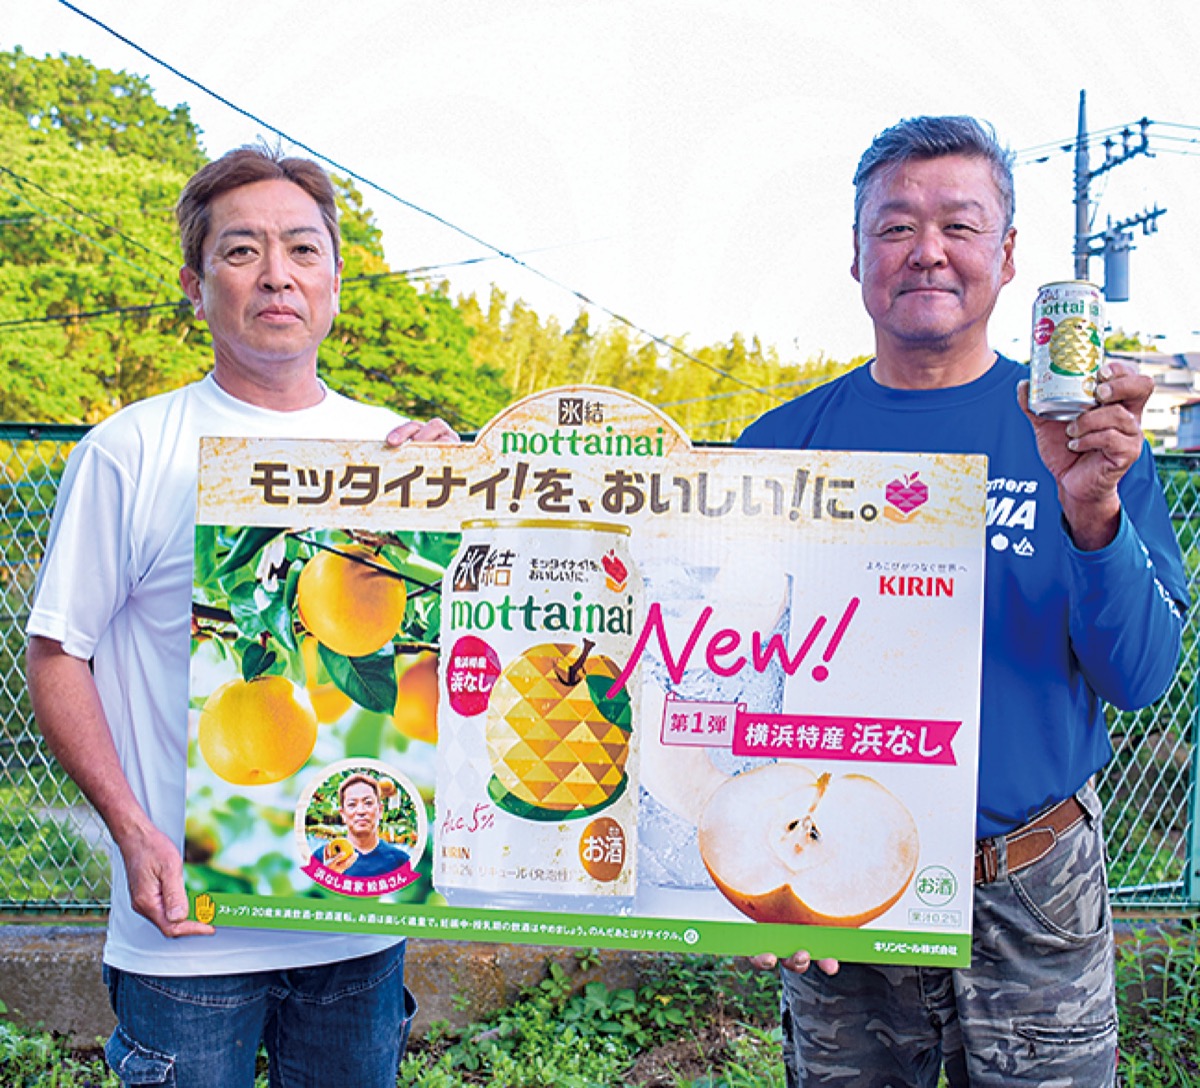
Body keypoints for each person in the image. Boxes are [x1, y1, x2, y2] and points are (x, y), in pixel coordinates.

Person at [737, 116, 1188, 1087]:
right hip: (836, 878)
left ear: (1008, 254)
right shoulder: (777, 448)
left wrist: (1092, 513)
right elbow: (723, 677)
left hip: (1033, 883)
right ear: (856, 254)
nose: (928, 250)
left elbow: (1142, 676)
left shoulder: (1089, 440)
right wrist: (740, 873)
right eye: (896, 226)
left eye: (960, 224)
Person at [25, 146, 457, 1088]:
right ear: (195, 285)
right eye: (241, 250)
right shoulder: (131, 449)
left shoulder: (397, 452)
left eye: (302, 249)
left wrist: (460, 492)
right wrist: (132, 830)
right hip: (186, 936)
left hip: (359, 927)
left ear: (335, 282)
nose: (276, 275)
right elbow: (57, 655)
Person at [316, 774, 411, 877]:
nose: (361, 811)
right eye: (352, 804)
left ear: (380, 811)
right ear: (342, 814)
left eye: (368, 803)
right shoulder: (322, 858)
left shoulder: (401, 861)